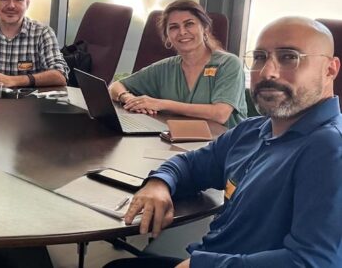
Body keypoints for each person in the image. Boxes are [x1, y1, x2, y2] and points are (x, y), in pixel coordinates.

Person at [106, 17, 341, 268]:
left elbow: (313, 262)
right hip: (211, 253)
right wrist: (159, 183)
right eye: (260, 57)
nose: (267, 72)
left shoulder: (329, 149)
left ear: (330, 69)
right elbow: (190, 164)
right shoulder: (251, 131)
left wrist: (198, 266)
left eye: (289, 57)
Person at [108, 0, 247, 127]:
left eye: (189, 24)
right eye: (174, 27)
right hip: (181, 141)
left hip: (227, 147)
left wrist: (160, 104)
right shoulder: (164, 68)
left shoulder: (228, 63)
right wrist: (128, 98)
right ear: (167, 36)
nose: (182, 32)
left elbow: (220, 114)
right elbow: (115, 86)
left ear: (204, 28)